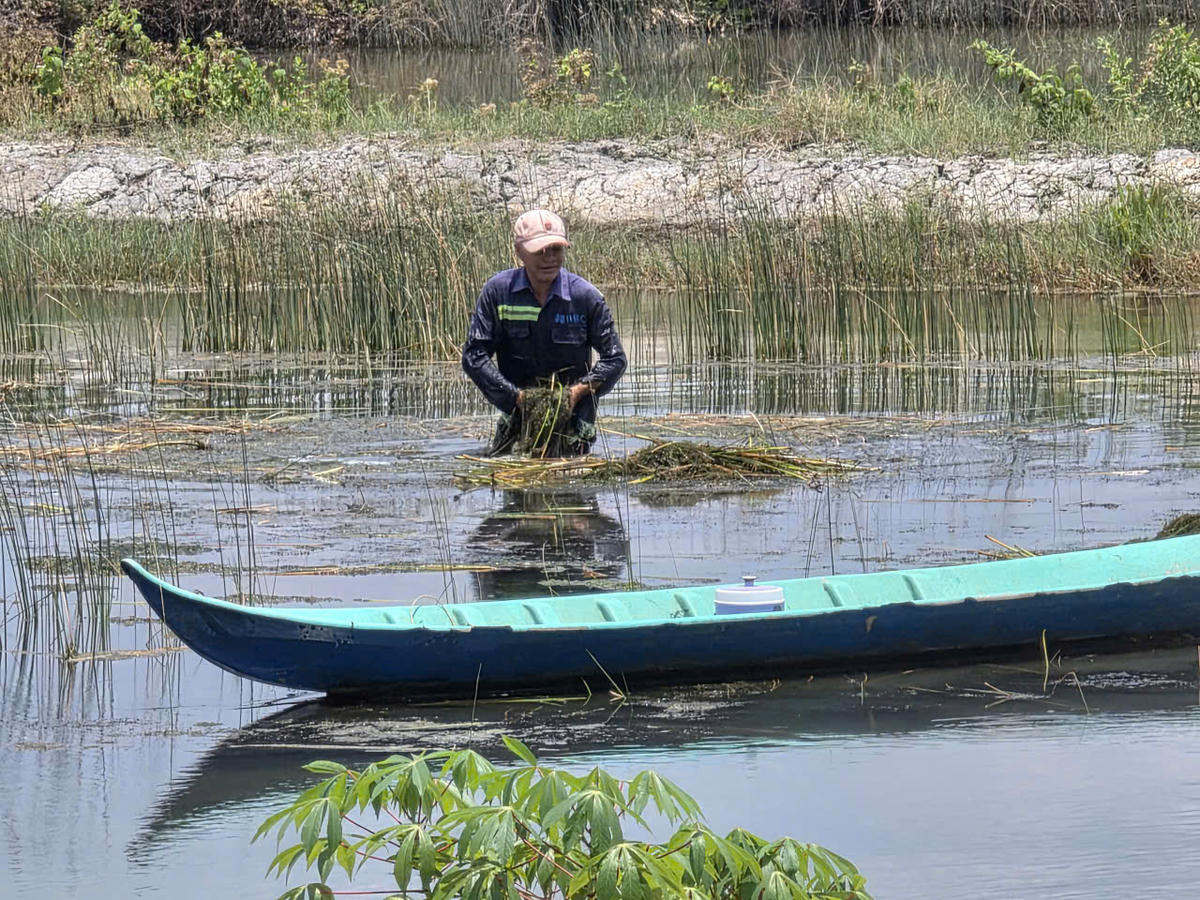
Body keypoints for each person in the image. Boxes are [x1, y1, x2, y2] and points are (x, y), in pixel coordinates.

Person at [462, 209, 627, 456]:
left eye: (556, 250)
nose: (549, 258)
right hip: (516, 411)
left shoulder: (585, 297)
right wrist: (517, 398)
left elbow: (616, 360)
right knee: (512, 474)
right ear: (520, 252)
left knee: (570, 474)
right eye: (540, 251)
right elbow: (473, 357)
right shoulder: (497, 293)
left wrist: (576, 392)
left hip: (575, 416)